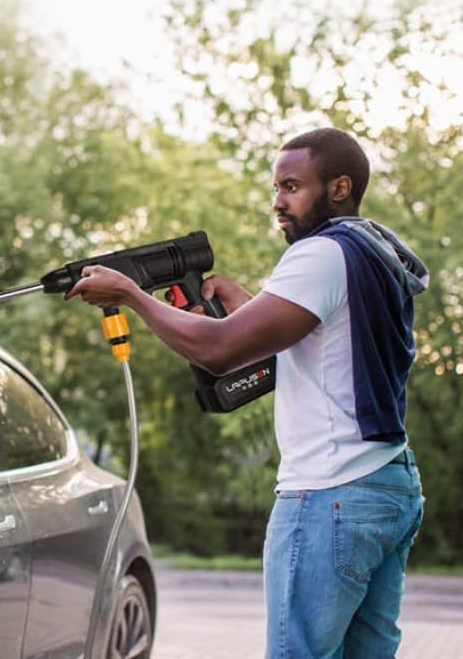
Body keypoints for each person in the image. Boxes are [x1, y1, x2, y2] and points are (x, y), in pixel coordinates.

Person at [65, 127, 427, 658]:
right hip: (386, 484)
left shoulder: (320, 254)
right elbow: (320, 351)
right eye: (275, 187)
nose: (278, 201)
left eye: (292, 186)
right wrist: (249, 304)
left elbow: (218, 351)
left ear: (340, 187)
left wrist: (130, 295)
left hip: (330, 492)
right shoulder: (373, 252)